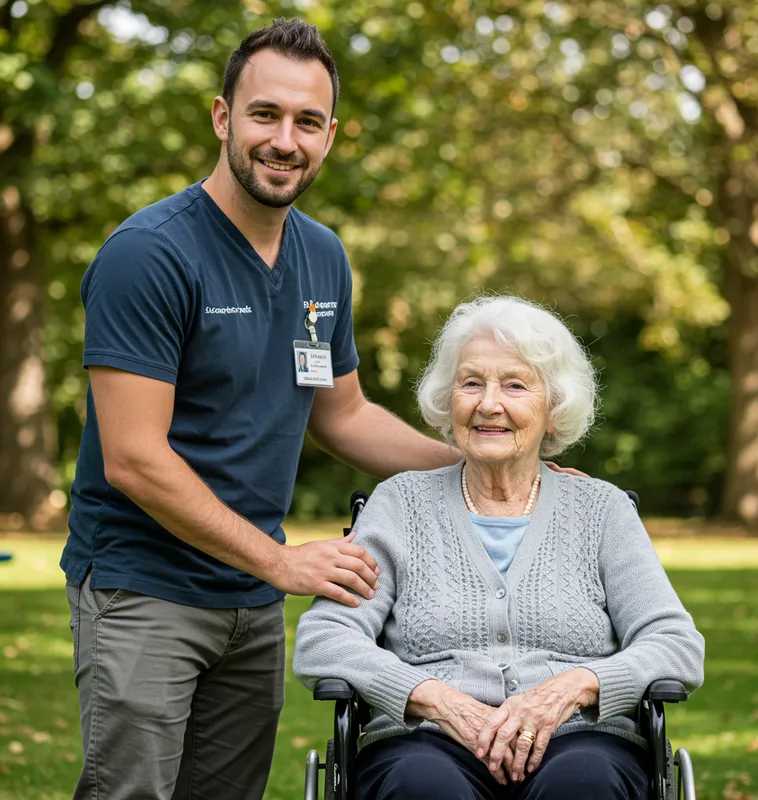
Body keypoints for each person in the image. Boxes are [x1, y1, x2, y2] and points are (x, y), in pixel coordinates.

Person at [59, 19, 473, 800]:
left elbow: (342, 415)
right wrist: (282, 562)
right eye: (265, 115)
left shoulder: (322, 255)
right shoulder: (149, 254)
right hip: (145, 588)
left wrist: (482, 461)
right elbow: (135, 459)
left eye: (306, 122)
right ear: (223, 118)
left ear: (330, 136)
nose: (285, 140)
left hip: (249, 603)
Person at [293, 296, 705, 800]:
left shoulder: (601, 510)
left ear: (553, 408)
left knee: (584, 785)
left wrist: (570, 689)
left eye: (515, 385)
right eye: (471, 383)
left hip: (580, 740)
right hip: (426, 742)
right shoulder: (400, 504)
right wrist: (436, 700)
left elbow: (675, 644)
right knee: (423, 788)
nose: (489, 403)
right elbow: (325, 638)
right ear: (449, 402)